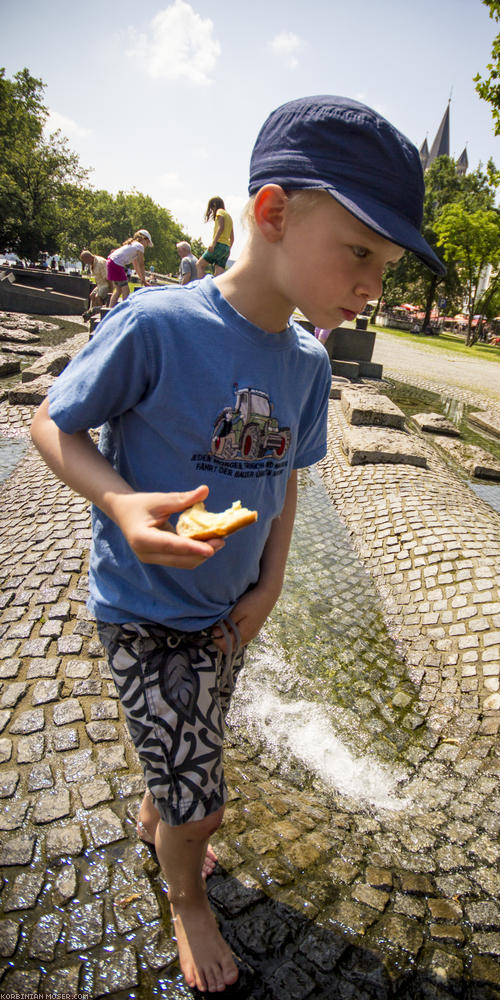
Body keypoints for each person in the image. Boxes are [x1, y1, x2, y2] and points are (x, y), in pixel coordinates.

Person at [30, 94, 443, 993]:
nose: (376, 284)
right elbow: (51, 425)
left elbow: (287, 475)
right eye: (363, 252)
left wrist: (271, 584)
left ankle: (158, 804)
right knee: (205, 802)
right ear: (272, 213)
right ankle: (186, 895)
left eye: (389, 264)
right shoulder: (156, 325)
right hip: (141, 607)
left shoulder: (307, 361)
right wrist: (122, 504)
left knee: (198, 731)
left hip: (229, 608)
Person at [106, 230, 153, 307]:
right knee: (126, 289)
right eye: (147, 243)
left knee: (118, 290)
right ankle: (125, 310)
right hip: (116, 264)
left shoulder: (133, 245)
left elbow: (136, 266)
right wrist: (144, 280)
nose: (146, 245)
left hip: (110, 262)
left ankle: (109, 309)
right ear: (144, 239)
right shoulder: (139, 246)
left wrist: (142, 279)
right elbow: (141, 264)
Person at [197, 197, 234, 277]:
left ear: (214, 205)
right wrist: (228, 249)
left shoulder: (219, 211)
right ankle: (215, 289)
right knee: (218, 275)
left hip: (218, 244)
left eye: (212, 207)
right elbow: (232, 237)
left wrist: (213, 243)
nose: (212, 210)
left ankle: (203, 287)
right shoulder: (229, 217)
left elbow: (221, 227)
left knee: (199, 265)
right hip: (226, 248)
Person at [80, 249, 111, 319]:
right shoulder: (92, 263)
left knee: (98, 297)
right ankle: (92, 313)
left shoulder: (100, 262)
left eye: (84, 261)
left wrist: (111, 289)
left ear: (88, 258)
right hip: (100, 284)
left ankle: (101, 315)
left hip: (107, 284)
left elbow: (108, 277)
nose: (85, 263)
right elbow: (97, 278)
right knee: (92, 295)